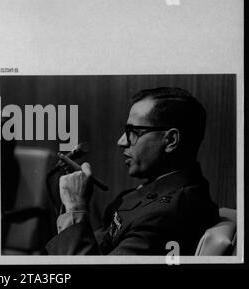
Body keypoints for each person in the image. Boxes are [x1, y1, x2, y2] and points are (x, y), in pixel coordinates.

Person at [46, 87, 219, 255]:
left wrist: (75, 207)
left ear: (171, 140)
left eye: (133, 132)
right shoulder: (159, 189)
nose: (121, 141)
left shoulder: (166, 216)